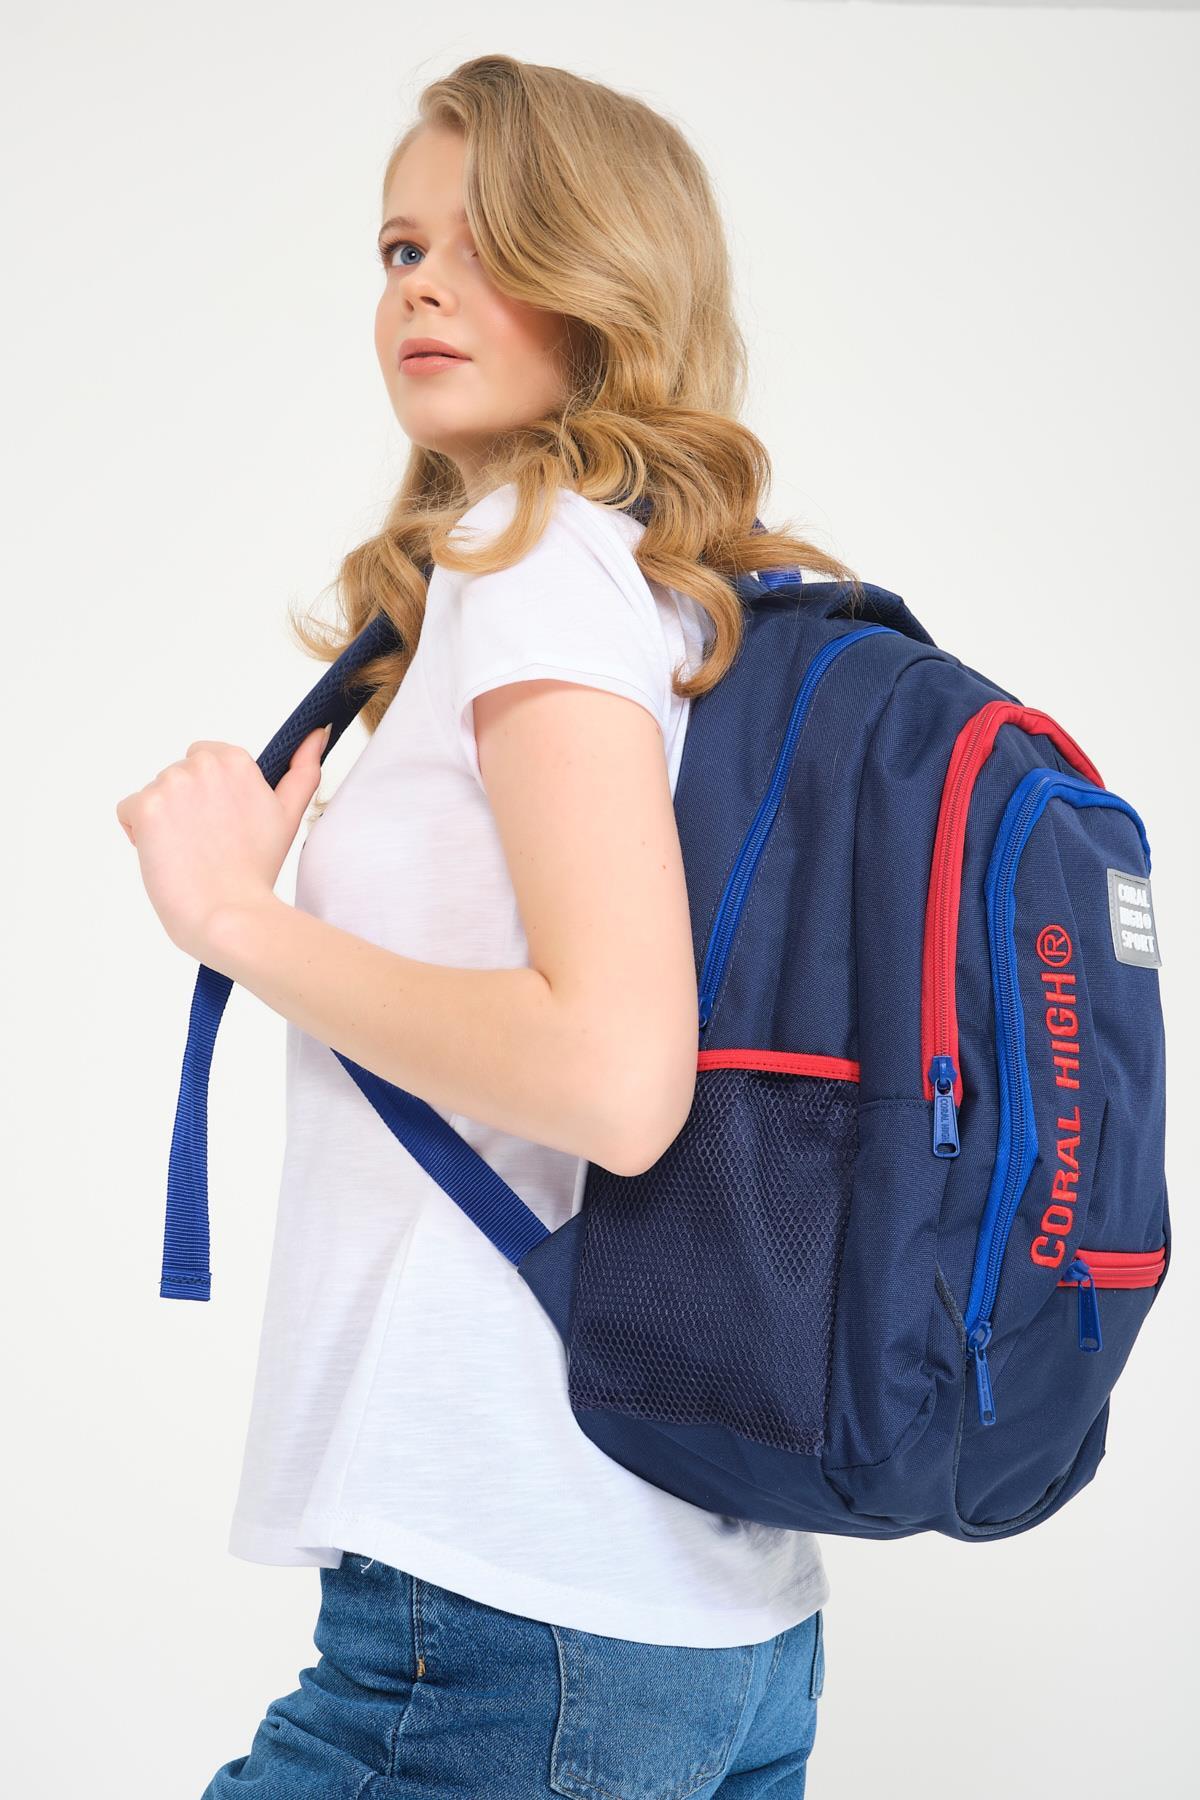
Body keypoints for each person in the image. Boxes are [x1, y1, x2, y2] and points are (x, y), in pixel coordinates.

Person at [117, 51, 864, 1798]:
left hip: (510, 1609)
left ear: (610, 280)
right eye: (399, 250)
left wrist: (233, 917)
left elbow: (614, 1076)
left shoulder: (536, 559)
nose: (422, 289)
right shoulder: (669, 597)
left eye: (492, 243)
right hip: (704, 1608)